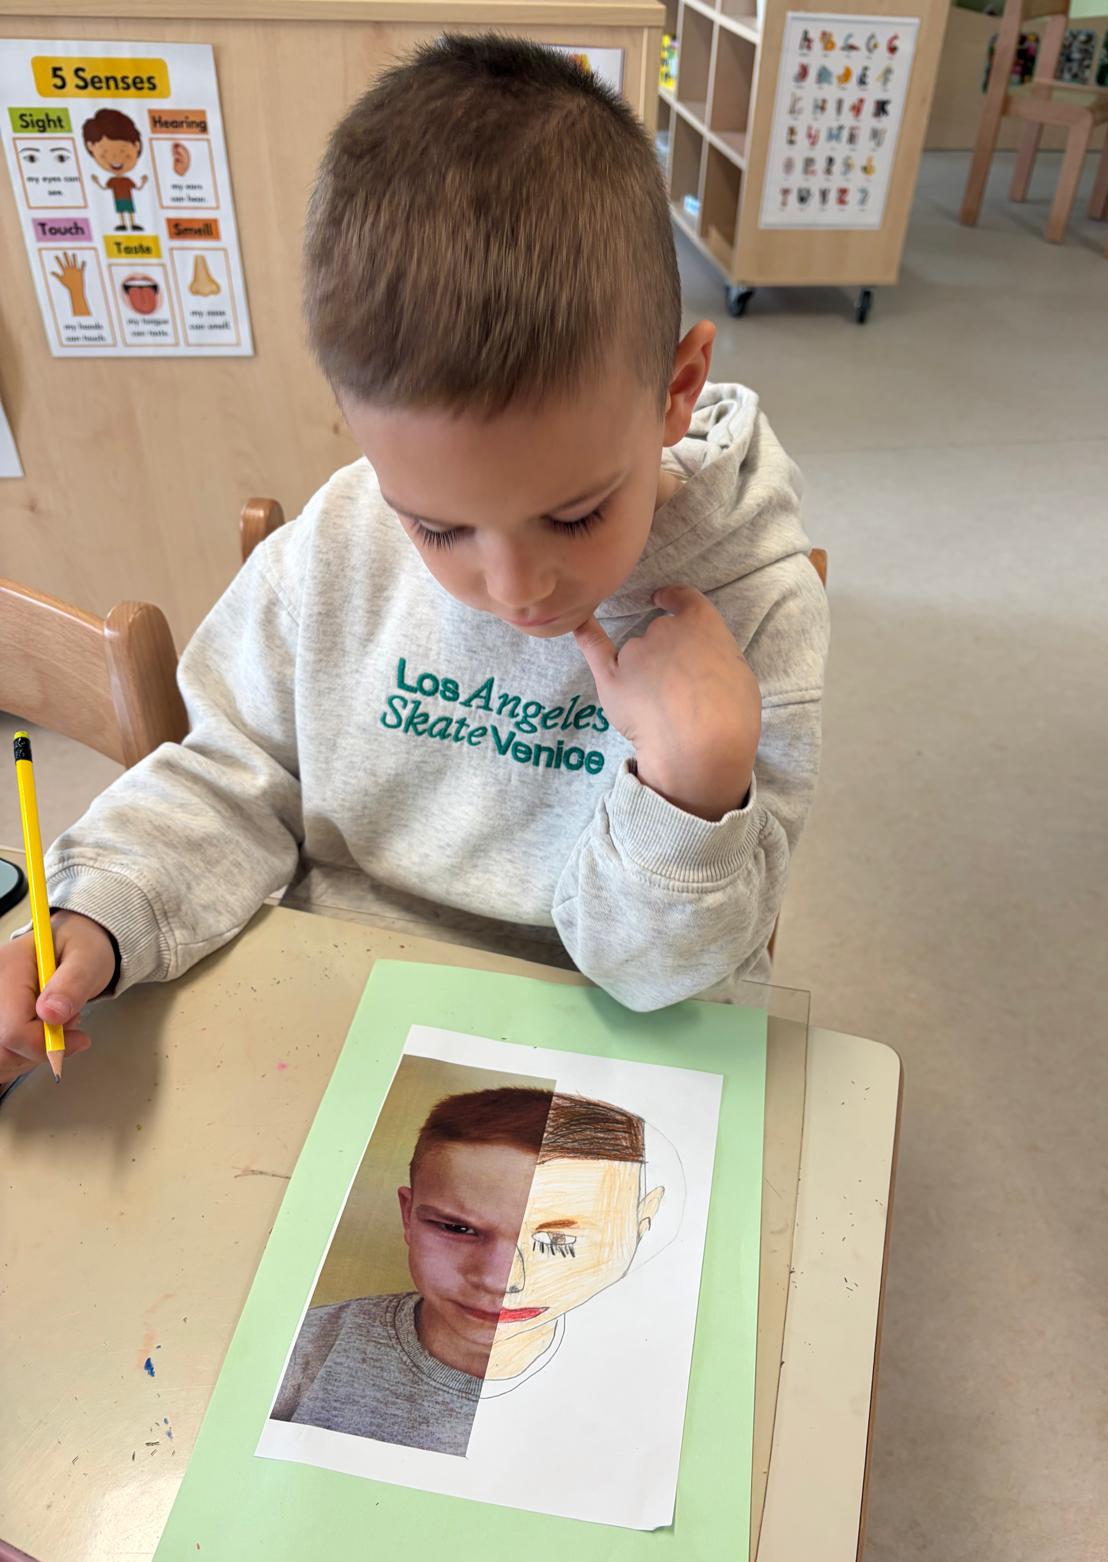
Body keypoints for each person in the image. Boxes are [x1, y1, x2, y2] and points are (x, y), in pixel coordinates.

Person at [0, 35, 829, 1083]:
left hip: (608, 1034)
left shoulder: (757, 607)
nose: (516, 588)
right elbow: (229, 777)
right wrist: (100, 909)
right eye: (436, 528)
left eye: (576, 515)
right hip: (334, 1006)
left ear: (677, 389)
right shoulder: (339, 538)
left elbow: (669, 980)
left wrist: (693, 791)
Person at [270, 1087, 665, 1453]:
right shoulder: (300, 1348)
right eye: (457, 1229)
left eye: (558, 1240)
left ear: (638, 1229)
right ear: (408, 1215)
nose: (498, 1280)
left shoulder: (650, 1395)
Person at [83, 108, 149, 232]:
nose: (115, 157)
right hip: (119, 200)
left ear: (137, 145)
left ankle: (132, 223)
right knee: (121, 211)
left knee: (129, 211)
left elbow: (137, 188)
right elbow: (105, 188)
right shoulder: (113, 181)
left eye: (122, 151)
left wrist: (144, 181)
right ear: (90, 147)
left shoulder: (127, 180)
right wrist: (96, 181)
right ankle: (123, 224)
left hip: (127, 199)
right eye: (105, 152)